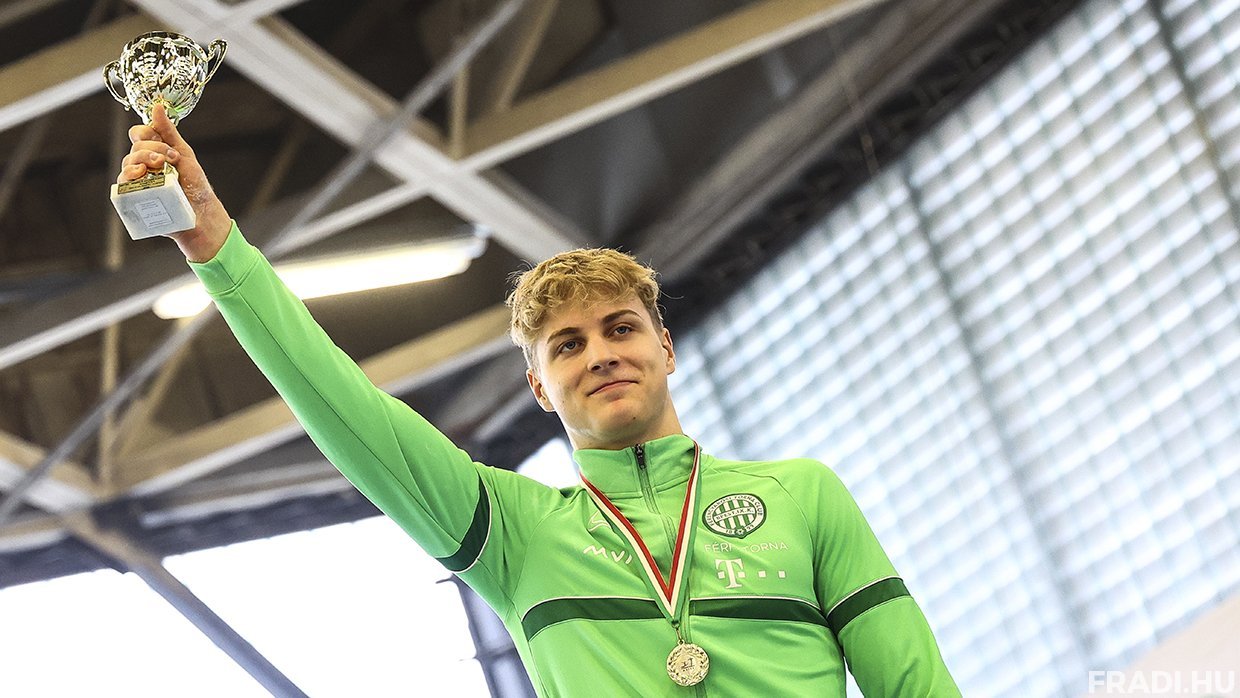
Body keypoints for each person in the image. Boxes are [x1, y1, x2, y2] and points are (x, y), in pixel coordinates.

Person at [119, 104, 961, 696]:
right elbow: (341, 402)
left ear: (665, 348)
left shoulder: (803, 496)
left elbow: (917, 686)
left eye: (620, 328)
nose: (601, 354)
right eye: (568, 345)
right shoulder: (513, 535)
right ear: (539, 389)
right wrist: (217, 250)